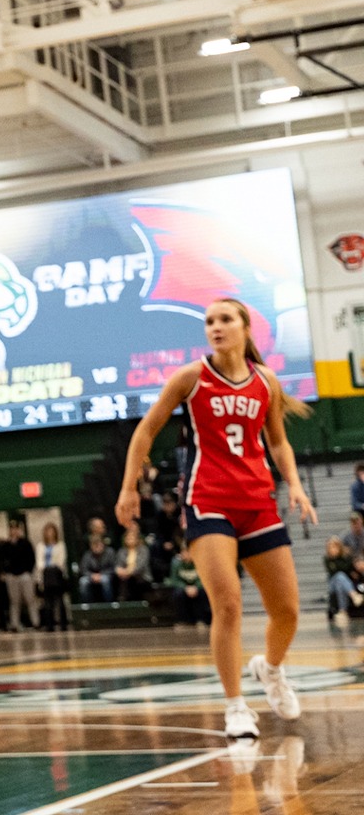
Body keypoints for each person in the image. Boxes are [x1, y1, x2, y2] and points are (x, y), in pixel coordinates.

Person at [116, 296, 315, 743]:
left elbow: (278, 442)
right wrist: (129, 487)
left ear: (245, 327)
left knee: (287, 611)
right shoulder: (191, 377)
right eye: (209, 321)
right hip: (208, 502)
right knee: (227, 604)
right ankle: (236, 708)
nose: (215, 327)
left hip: (257, 502)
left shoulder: (266, 381)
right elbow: (146, 430)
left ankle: (272, 670)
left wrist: (295, 485)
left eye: (225, 319)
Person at [3, 521, 39, 631]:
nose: (14, 531)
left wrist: (28, 571)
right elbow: (2, 560)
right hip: (12, 576)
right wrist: (6, 572)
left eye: (16, 529)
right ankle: (15, 624)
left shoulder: (26, 543)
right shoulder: (6, 545)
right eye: (11, 529)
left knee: (30, 599)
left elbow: (32, 559)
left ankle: (35, 622)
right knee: (14, 601)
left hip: (25, 575)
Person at [36, 523, 70, 632]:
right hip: (45, 576)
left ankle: (63, 623)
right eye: (48, 531)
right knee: (48, 602)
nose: (50, 533)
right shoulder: (40, 546)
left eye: (52, 531)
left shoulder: (60, 545)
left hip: (57, 575)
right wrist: (46, 568)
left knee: (60, 600)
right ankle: (49, 624)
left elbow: (61, 561)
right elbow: (39, 563)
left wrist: (53, 567)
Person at [168, 542, 211, 628]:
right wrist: (185, 587)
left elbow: (204, 578)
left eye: (189, 552)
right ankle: (182, 621)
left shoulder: (200, 562)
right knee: (177, 594)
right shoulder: (176, 563)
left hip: (197, 587)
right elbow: (174, 580)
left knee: (203, 592)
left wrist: (196, 587)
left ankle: (201, 620)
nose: (187, 554)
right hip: (184, 588)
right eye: (184, 552)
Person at [114, 526, 152, 602]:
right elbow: (118, 566)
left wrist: (127, 572)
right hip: (125, 578)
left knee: (131, 580)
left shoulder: (143, 550)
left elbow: (140, 567)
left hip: (142, 577)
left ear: (137, 540)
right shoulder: (122, 551)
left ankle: (126, 598)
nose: (129, 540)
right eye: (127, 538)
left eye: (132, 538)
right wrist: (119, 571)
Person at [78, 534, 116, 604]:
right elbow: (83, 569)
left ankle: (109, 604)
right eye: (95, 545)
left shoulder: (110, 552)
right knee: (83, 581)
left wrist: (101, 575)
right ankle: (88, 605)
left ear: (103, 544)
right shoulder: (87, 555)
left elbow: (113, 568)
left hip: (105, 575)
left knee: (105, 580)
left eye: (99, 545)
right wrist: (92, 575)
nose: (97, 547)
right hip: (91, 576)